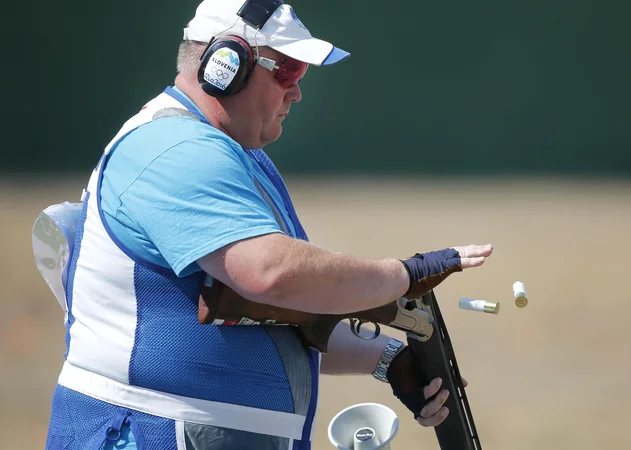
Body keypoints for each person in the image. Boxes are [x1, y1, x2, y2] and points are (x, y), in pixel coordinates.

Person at [42, 0, 493, 448]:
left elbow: (264, 311)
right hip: (149, 432)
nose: (296, 91)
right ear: (226, 64)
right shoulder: (176, 151)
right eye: (287, 71)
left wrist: (386, 358)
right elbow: (270, 275)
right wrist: (403, 275)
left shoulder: (227, 151)